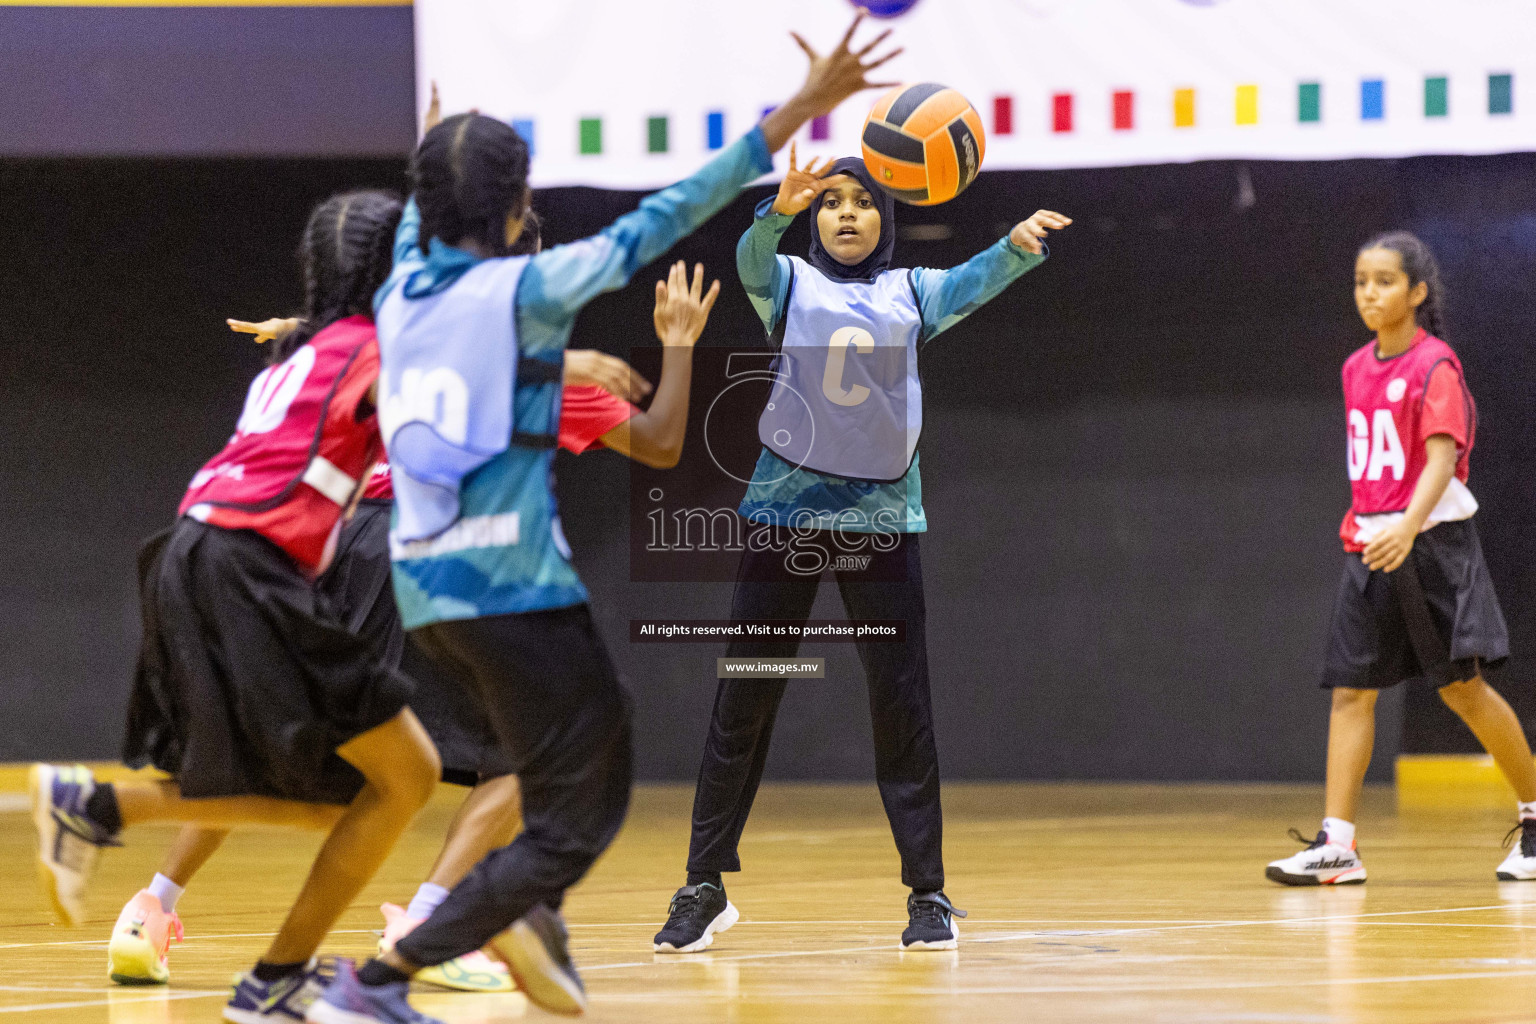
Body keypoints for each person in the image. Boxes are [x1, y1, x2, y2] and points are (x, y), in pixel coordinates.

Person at [302, 15, 902, 1023]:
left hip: (424, 586)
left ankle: (521, 924)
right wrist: (800, 109)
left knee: (567, 761)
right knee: (582, 803)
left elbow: (421, 213)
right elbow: (661, 219)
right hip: (512, 586)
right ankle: (392, 974)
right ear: (508, 212)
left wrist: (438, 150)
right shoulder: (525, 290)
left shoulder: (403, 288)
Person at [106, 247, 716, 997]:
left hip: (338, 540)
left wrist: (298, 328)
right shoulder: (545, 369)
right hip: (432, 550)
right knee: (533, 752)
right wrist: (680, 345)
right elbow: (660, 442)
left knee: (275, 744)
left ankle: (149, 909)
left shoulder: (420, 341)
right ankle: (428, 923)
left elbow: (368, 335)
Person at [31, 191, 448, 1024]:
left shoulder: (305, 349)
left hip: (193, 548)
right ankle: (273, 974)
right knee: (407, 776)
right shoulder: (375, 349)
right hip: (249, 564)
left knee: (345, 791)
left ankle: (113, 821)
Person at [650, 149, 1071, 954]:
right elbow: (748, 256)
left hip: (881, 523)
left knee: (900, 705)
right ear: (815, 219)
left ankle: (929, 895)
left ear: (886, 218)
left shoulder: (912, 291)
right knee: (744, 700)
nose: (846, 213)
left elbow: (975, 279)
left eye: (863, 202)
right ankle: (703, 883)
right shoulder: (786, 284)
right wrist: (776, 210)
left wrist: (1016, 244)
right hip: (783, 516)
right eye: (832, 202)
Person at [1265, 231, 1536, 886]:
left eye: (1384, 281)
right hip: (1372, 544)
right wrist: (1373, 527)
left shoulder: (1435, 365)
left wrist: (1408, 528)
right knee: (1351, 692)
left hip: (1431, 543)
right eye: (1361, 280)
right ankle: (1339, 845)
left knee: (1463, 690)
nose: (1369, 293)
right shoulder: (1356, 367)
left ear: (1416, 292)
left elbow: (1442, 459)